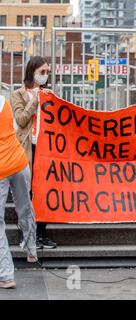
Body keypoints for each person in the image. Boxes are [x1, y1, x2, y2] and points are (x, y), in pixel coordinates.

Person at [11, 56, 57, 249]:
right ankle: (28, 235)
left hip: (46, 148)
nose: (45, 76)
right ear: (32, 72)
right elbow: (21, 120)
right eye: (42, 72)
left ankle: (41, 233)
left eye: (47, 72)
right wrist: (36, 100)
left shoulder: (49, 94)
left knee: (44, 190)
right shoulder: (18, 94)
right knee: (27, 192)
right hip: (27, 149)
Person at [0, 95, 38, 289]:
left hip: (1, 169)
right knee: (24, 207)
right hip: (19, 161)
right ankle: (32, 251)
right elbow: (13, 128)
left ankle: (6, 275)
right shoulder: (3, 101)